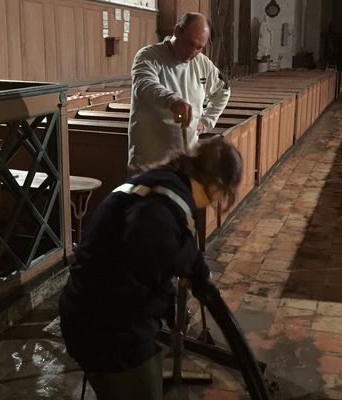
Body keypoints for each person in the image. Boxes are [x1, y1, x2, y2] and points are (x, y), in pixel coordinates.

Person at [59, 137, 243, 400]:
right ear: (216, 188)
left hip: (85, 315)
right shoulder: (166, 199)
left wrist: (175, 302)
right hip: (112, 332)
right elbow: (148, 237)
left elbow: (168, 242)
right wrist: (185, 268)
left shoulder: (161, 181)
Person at [127, 12, 231, 170]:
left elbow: (223, 90)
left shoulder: (203, 64)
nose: (192, 52)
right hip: (148, 163)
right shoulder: (148, 56)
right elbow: (145, 84)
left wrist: (206, 121)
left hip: (186, 162)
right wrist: (171, 100)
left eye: (199, 48)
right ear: (177, 31)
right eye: (189, 43)